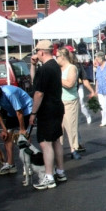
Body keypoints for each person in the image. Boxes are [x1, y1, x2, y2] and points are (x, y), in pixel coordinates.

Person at [29, 39, 66, 190]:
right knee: (56, 139)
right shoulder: (55, 66)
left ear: (41, 52)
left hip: (47, 109)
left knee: (45, 143)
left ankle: (49, 176)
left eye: (37, 51)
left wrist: (33, 113)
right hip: (57, 106)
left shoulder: (45, 69)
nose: (36, 54)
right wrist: (33, 65)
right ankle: (60, 171)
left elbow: (38, 92)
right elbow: (35, 82)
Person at [0, 84, 33, 175]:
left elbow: (19, 112)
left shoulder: (10, 93)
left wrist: (22, 129)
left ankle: (28, 166)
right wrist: (4, 129)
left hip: (25, 109)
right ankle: (11, 165)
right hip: (12, 112)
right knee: (7, 137)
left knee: (24, 137)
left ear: (0, 95)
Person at [56, 47, 81, 160]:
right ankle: (59, 149)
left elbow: (70, 83)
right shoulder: (58, 68)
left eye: (57, 56)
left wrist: (57, 79)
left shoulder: (72, 68)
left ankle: (74, 149)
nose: (55, 58)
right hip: (58, 101)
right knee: (58, 128)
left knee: (71, 126)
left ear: (62, 57)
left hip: (70, 101)